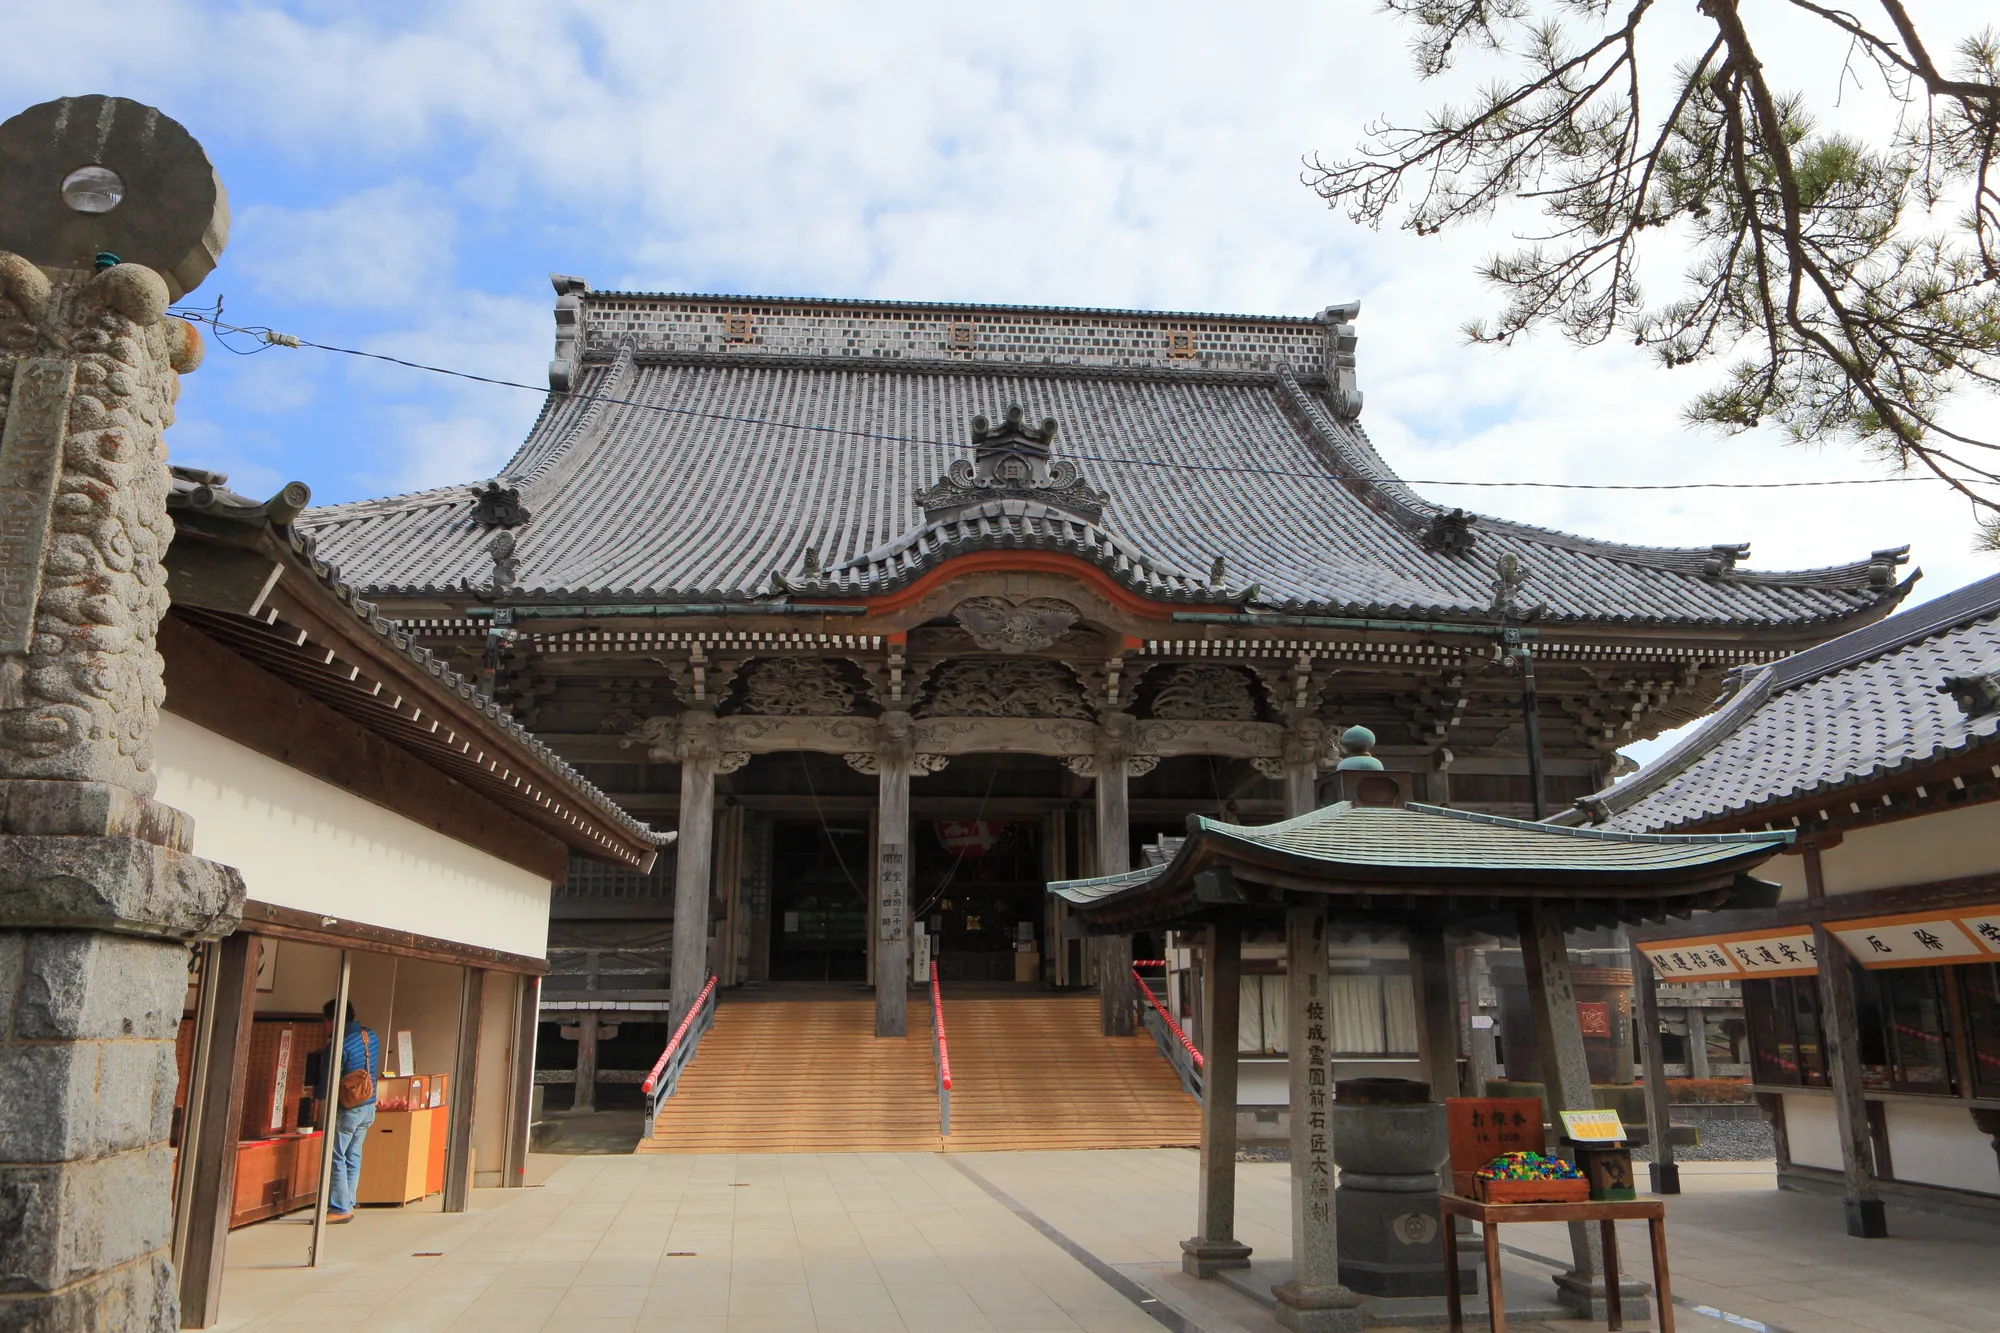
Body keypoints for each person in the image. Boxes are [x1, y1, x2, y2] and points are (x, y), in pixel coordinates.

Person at [320, 999, 378, 1224]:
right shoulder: (370, 1036)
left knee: (335, 1155)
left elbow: (326, 1084)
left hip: (348, 1108)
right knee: (353, 1154)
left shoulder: (337, 1046)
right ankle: (349, 1202)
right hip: (369, 1105)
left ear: (332, 1021)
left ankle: (340, 1207)